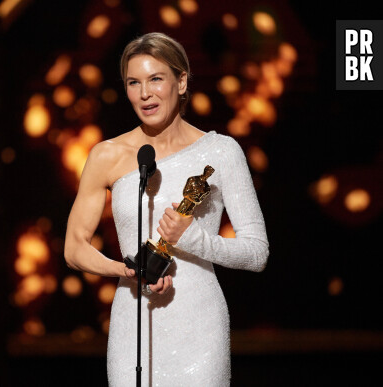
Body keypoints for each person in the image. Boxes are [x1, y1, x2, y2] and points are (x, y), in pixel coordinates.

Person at [64, 32, 269, 386]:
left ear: (182, 80)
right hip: (135, 321)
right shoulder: (106, 155)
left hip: (200, 326)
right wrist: (127, 271)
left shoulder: (221, 152)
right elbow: (74, 247)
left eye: (156, 79)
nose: (145, 93)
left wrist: (193, 238)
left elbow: (256, 252)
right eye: (134, 82)